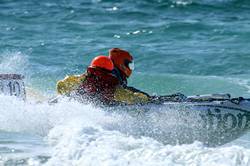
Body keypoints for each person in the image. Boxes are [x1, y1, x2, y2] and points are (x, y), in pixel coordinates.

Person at [56, 49, 150, 105]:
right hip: (103, 106)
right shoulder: (112, 81)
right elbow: (126, 95)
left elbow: (61, 86)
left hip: (80, 103)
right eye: (130, 65)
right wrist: (146, 99)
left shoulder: (85, 77)